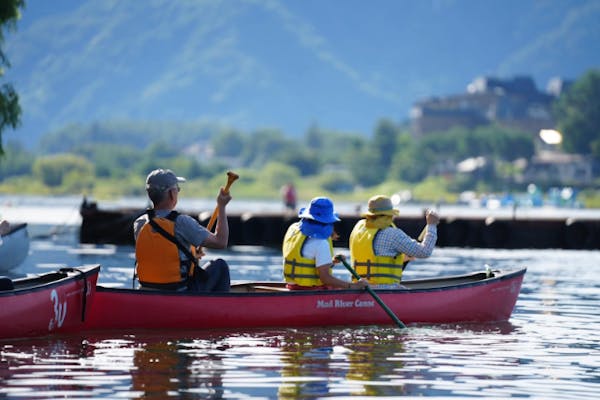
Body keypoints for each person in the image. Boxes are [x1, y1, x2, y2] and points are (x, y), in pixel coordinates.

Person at [133, 168, 232, 292]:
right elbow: (221, 242)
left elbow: (160, 253)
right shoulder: (182, 222)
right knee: (220, 265)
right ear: (171, 194)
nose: (178, 192)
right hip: (179, 291)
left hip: (146, 289)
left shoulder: (139, 223)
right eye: (177, 189)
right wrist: (222, 207)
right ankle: (218, 309)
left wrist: (191, 254)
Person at [349, 195, 440, 288]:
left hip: (358, 287)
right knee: (403, 289)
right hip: (382, 291)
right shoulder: (392, 234)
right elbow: (425, 252)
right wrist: (431, 225)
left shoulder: (358, 228)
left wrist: (403, 258)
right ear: (390, 215)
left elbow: (375, 256)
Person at [282, 196, 368, 290]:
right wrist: (353, 286)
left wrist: (331, 262)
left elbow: (308, 258)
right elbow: (325, 279)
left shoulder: (294, 230)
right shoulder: (320, 243)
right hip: (309, 290)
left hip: (291, 287)